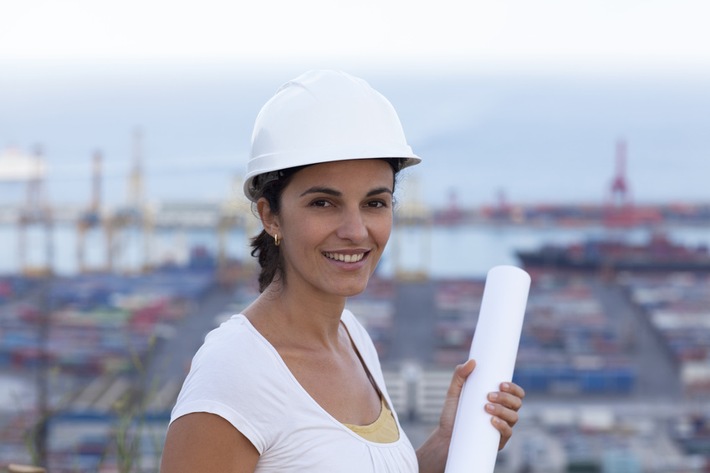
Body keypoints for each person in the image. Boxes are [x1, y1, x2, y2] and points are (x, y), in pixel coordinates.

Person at [160, 70, 525, 472]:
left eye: (374, 203)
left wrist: (448, 444)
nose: (356, 231)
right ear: (270, 216)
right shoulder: (233, 370)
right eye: (323, 203)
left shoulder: (354, 338)